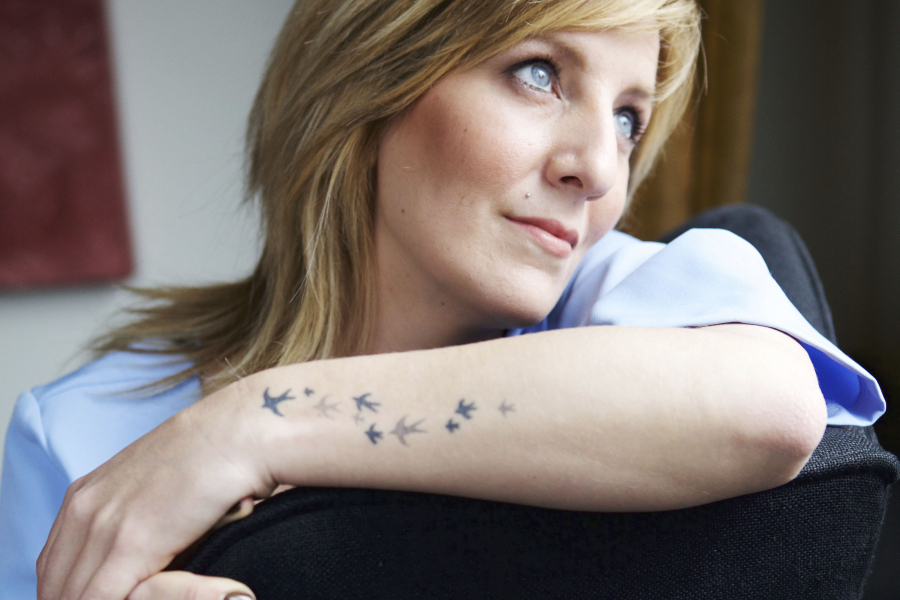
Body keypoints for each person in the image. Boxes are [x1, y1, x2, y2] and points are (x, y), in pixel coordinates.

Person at [0, 0, 886, 598]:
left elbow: (773, 411)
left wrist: (248, 426)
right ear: (370, 78)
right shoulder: (77, 432)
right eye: (540, 73)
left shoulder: (622, 293)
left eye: (628, 118)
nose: (598, 167)